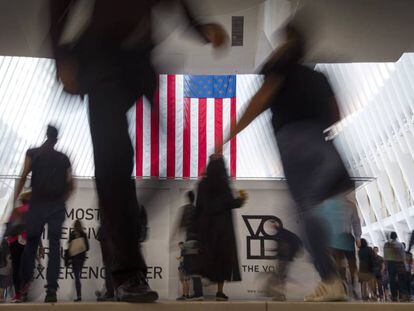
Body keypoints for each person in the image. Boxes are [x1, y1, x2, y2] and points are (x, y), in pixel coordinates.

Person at [49, 0, 228, 303]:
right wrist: (61, 57)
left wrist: (199, 27)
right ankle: (126, 273)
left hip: (137, 63)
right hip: (101, 59)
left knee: (125, 168)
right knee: (114, 164)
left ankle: (120, 257)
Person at [222, 24, 353, 302]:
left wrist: (229, 134)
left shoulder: (280, 66)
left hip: (296, 145)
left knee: (304, 211)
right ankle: (327, 276)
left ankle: (329, 278)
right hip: (324, 145)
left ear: (286, 44)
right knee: (311, 211)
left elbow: (259, 101)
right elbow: (337, 113)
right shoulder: (318, 77)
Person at [14, 125, 74, 303]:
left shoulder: (32, 153)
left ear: (46, 136)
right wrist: (61, 199)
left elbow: (24, 175)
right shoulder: (64, 158)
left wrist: (16, 201)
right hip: (55, 205)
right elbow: (72, 185)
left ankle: (25, 286)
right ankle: (51, 291)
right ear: (56, 139)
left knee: (31, 244)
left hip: (37, 204)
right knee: (55, 245)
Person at [196, 156, 246, 301]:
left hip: (206, 226)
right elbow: (230, 203)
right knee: (223, 258)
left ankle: (203, 283)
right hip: (223, 227)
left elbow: (199, 205)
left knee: (206, 255)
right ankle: (219, 291)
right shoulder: (224, 183)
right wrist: (241, 200)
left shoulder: (203, 184)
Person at [325, 195, 361, 298]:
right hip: (334, 238)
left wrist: (358, 237)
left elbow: (355, 222)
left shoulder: (350, 205)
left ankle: (352, 287)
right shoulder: (329, 204)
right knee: (337, 263)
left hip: (345, 236)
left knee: (352, 264)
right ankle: (341, 286)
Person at [174, 190, 204, 301]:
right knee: (195, 268)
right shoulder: (198, 210)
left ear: (188, 198)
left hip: (190, 240)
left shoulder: (186, 209)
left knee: (187, 268)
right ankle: (198, 292)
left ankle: (191, 294)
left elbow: (180, 225)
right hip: (198, 242)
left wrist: (174, 238)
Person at [265, 217, 302, 301]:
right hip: (285, 259)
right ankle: (280, 295)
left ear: (275, 224)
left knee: (280, 277)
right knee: (281, 276)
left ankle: (280, 295)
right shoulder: (283, 233)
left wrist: (278, 252)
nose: (270, 226)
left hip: (283, 259)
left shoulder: (281, 233)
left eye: (271, 224)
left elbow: (283, 247)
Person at [68, 220, 89, 302]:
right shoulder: (83, 234)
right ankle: (79, 296)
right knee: (77, 277)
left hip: (74, 258)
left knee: (76, 277)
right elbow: (87, 247)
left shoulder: (72, 234)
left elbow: (69, 246)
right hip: (81, 258)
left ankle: (79, 296)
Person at [384, 232, 407, 301]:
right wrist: (404, 265)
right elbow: (403, 256)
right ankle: (402, 295)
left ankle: (394, 296)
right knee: (401, 280)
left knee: (392, 280)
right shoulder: (400, 245)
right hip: (399, 263)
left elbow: (385, 256)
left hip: (390, 264)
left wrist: (386, 265)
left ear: (390, 237)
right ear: (396, 237)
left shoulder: (386, 245)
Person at [0, 238, 13, 302]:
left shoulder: (4, 242)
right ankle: (1, 296)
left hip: (3, 267)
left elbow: (8, 255)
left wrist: (8, 265)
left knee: (4, 278)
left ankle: (1, 296)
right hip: (4, 267)